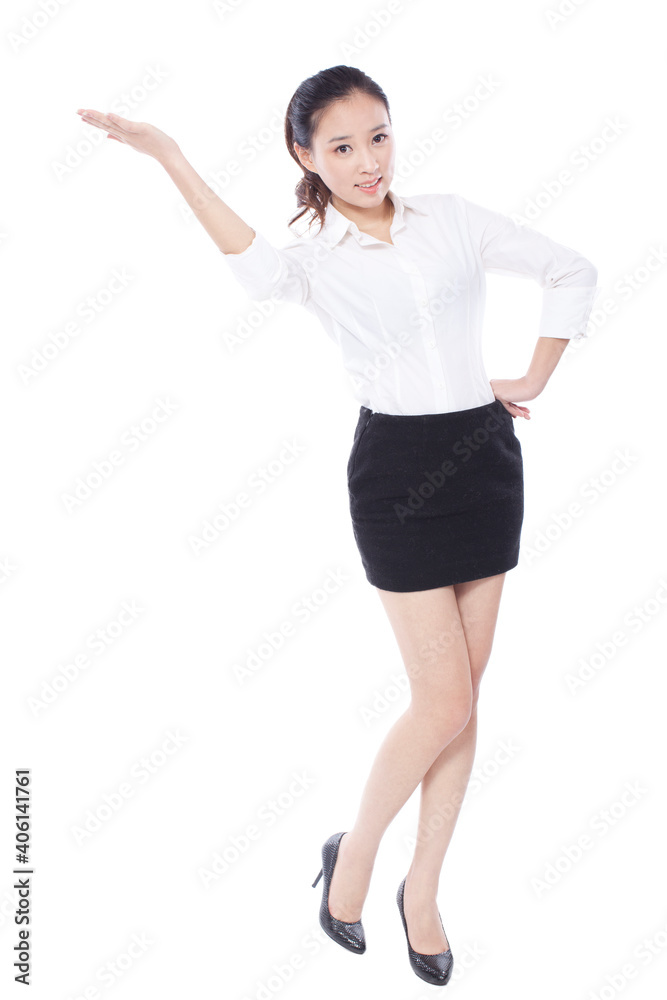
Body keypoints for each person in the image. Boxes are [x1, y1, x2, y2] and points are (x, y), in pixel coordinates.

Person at [76, 63, 599, 987]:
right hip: (397, 476)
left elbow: (570, 268)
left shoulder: (453, 218)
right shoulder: (315, 259)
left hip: (485, 459)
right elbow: (250, 267)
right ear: (305, 156)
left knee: (464, 701)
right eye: (343, 146)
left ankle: (423, 892)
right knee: (441, 703)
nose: (367, 161)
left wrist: (532, 375)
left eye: (379, 136)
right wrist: (169, 155)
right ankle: (352, 860)